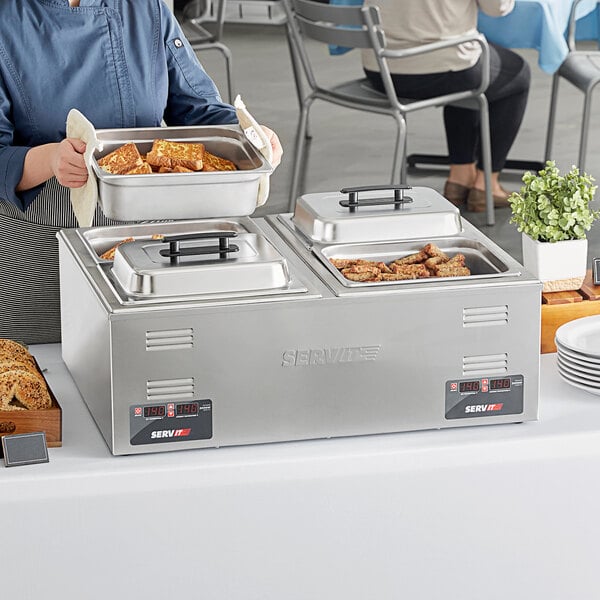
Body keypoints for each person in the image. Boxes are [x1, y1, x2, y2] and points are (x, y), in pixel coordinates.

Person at [0, 0, 282, 345]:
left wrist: (252, 136)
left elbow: (199, 110)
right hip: (38, 255)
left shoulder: (146, 9)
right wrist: (49, 160)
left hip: (149, 248)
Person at [362, 0, 530, 212]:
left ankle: (460, 178)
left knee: (463, 60)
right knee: (517, 74)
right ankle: (487, 185)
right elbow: (498, 8)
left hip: (381, 69)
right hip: (440, 67)